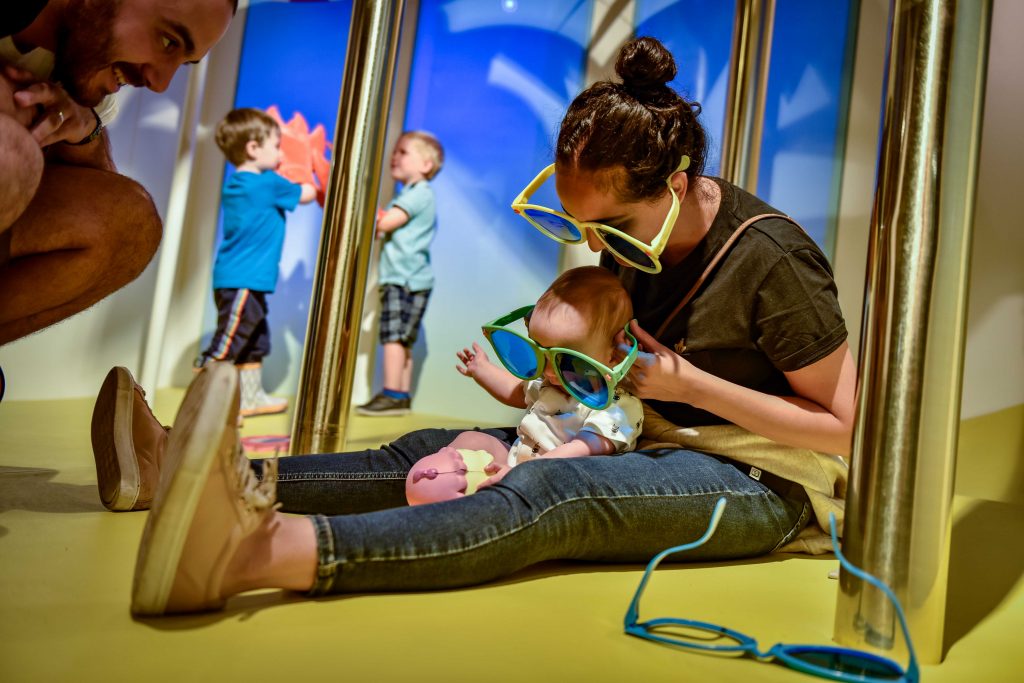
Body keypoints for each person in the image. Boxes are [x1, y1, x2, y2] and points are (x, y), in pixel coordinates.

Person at [94, 36, 854, 616]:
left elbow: (847, 429)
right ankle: (191, 476)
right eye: (581, 226)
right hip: (639, 434)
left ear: (678, 185)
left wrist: (692, 387)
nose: (596, 248)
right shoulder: (629, 237)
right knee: (437, 448)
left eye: (612, 229)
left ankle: (254, 554)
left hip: (763, 481)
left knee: (550, 490)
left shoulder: (772, 260)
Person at [0, 0, 237, 346]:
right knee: (12, 140)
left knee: (132, 225)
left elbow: (107, 205)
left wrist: (85, 129)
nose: (160, 83)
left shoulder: (87, 65)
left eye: (183, 63)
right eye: (168, 41)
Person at [407, 266, 645, 505]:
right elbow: (516, 391)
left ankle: (465, 503)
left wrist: (524, 474)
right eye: (540, 353)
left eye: (567, 361)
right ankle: (447, 477)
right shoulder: (550, 383)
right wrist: (483, 370)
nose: (548, 371)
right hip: (515, 462)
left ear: (615, 355)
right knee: (472, 439)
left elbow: (582, 448)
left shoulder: (616, 406)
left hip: (557, 487)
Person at [195, 107, 316, 417]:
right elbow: (307, 193)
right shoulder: (267, 184)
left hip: (241, 280)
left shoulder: (238, 183)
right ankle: (202, 403)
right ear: (253, 148)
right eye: (277, 146)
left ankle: (249, 399)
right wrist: (306, 165)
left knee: (254, 340)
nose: (281, 154)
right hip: (244, 280)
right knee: (228, 343)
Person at [356, 131, 444, 416]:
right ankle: (401, 394)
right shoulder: (416, 194)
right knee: (403, 338)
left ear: (426, 165)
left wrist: (366, 212)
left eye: (403, 152)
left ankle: (392, 393)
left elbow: (387, 222)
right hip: (414, 278)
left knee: (393, 336)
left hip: (402, 278)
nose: (394, 156)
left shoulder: (417, 194)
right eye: (395, 151)